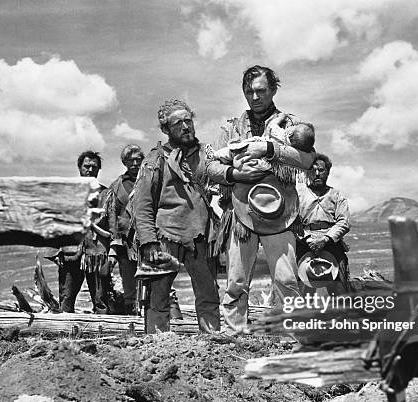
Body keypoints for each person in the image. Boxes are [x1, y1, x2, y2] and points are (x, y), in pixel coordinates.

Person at [207, 65, 317, 332]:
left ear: (273, 89)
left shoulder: (290, 125)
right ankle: (233, 342)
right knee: (236, 281)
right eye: (249, 92)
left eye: (260, 91)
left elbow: (307, 159)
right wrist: (234, 174)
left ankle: (289, 340)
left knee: (286, 279)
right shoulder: (231, 127)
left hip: (280, 215)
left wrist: (269, 148)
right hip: (240, 214)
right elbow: (210, 167)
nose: (254, 97)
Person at [133, 99, 220, 333]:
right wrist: (149, 241)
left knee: (209, 295)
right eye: (177, 123)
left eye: (188, 120)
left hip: (200, 236)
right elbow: (142, 204)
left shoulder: (206, 155)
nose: (185, 126)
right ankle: (158, 347)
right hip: (164, 238)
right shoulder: (155, 160)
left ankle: (212, 345)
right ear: (165, 129)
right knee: (158, 299)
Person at [57, 151, 117, 313]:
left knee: (101, 301)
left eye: (94, 167)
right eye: (86, 166)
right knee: (66, 299)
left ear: (99, 170)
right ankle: (64, 334)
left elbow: (113, 227)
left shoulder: (107, 195)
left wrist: (112, 253)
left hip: (97, 255)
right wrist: (57, 252)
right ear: (79, 168)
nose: (90, 170)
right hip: (71, 254)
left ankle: (103, 335)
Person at [296, 153, 351, 294]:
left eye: (321, 170)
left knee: (339, 288)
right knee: (303, 289)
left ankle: (342, 314)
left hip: (331, 243)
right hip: (305, 243)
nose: (317, 174)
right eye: (313, 170)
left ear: (328, 172)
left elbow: (343, 222)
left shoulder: (336, 195)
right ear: (307, 173)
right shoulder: (299, 195)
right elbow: (293, 221)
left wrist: (325, 239)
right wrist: (308, 239)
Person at [106, 144, 144, 314]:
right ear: (124, 162)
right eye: (131, 160)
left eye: (138, 159)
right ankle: (132, 320)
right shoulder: (117, 185)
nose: (135, 163)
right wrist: (115, 242)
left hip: (149, 239)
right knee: (129, 283)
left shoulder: (151, 180)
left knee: (157, 280)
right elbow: (112, 215)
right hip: (126, 243)